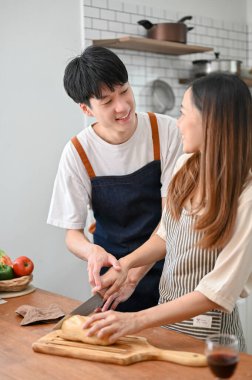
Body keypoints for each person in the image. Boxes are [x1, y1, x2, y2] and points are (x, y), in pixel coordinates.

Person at [83, 73, 252, 351]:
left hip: (214, 342)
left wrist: (134, 321)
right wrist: (125, 266)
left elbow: (215, 293)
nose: (178, 123)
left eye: (184, 113)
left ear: (211, 121)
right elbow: (166, 235)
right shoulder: (186, 167)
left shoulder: (245, 197)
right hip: (166, 330)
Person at [47, 45, 182, 312]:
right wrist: (91, 252)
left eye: (124, 91)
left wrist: (133, 273)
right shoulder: (78, 152)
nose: (122, 106)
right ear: (86, 109)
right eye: (107, 101)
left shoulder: (164, 130)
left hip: (171, 267)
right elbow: (72, 234)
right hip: (114, 277)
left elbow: (172, 219)